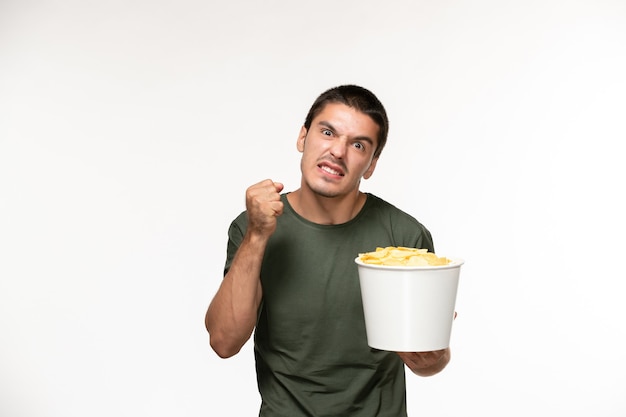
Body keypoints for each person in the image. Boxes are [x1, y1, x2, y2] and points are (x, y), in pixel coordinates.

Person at [205, 84, 451, 416]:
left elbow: (428, 361)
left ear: (371, 165)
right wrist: (257, 235)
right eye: (327, 132)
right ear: (302, 138)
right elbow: (224, 341)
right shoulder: (251, 228)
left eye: (358, 144)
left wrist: (431, 357)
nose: (337, 151)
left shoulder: (405, 238)